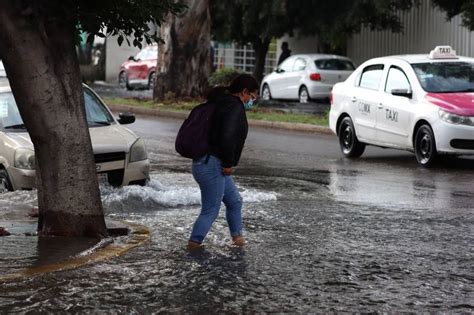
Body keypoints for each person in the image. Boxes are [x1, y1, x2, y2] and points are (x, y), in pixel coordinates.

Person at [187, 74, 259, 250]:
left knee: (234, 201)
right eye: (252, 96)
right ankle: (193, 246)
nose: (252, 101)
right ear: (244, 92)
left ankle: (238, 240)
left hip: (207, 162)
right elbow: (227, 138)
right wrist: (228, 164)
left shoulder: (222, 102)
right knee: (211, 210)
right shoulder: (233, 107)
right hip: (213, 165)